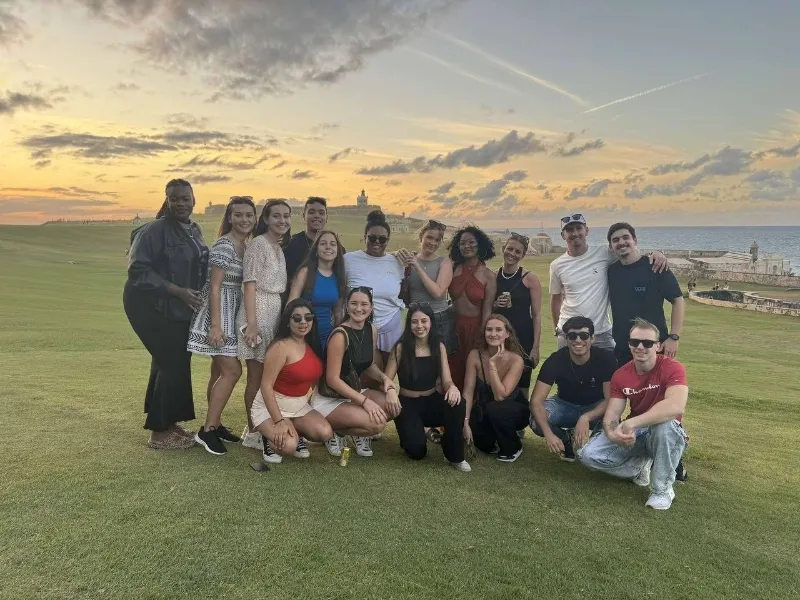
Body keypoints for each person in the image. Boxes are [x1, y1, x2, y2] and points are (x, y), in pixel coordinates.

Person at [123, 179, 208, 449]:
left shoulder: (193, 230)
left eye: (185, 198)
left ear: (194, 199)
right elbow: (138, 271)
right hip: (150, 305)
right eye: (174, 198)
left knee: (172, 361)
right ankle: (159, 434)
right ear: (166, 200)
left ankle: (169, 423)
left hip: (178, 306)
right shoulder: (154, 230)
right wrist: (178, 291)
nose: (180, 203)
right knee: (171, 361)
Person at [579, 318, 689, 510]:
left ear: (657, 346)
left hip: (666, 432)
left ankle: (662, 490)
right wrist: (614, 434)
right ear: (629, 344)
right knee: (588, 455)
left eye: (647, 343)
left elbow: (675, 406)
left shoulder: (672, 367)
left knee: (664, 425)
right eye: (634, 342)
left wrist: (632, 423)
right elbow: (612, 415)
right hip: (637, 434)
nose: (640, 347)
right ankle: (638, 468)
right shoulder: (621, 374)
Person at [188, 196, 256, 454]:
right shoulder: (225, 246)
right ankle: (206, 431)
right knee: (232, 371)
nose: (244, 219)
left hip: (230, 309)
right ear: (229, 217)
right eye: (238, 215)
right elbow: (214, 286)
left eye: (249, 215)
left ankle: (215, 425)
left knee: (218, 372)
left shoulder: (244, 246)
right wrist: (215, 325)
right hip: (218, 313)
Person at [550, 214, 667, 351]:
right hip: (570, 332)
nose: (575, 233)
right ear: (563, 235)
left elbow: (630, 252)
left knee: (612, 370)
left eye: (578, 228)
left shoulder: (604, 253)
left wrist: (657, 253)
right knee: (567, 371)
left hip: (602, 332)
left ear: (586, 231)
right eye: (569, 230)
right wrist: (558, 328)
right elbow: (556, 298)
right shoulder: (557, 265)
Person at [310, 286, 398, 458]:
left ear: (371, 307)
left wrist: (386, 380)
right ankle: (335, 430)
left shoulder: (371, 329)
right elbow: (332, 379)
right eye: (354, 304)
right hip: (330, 397)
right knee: (377, 425)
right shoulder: (340, 335)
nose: (359, 308)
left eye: (364, 304)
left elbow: (368, 364)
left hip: (353, 392)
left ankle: (352, 427)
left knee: (393, 408)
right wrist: (365, 402)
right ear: (347, 307)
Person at [384, 302, 471, 472]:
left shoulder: (439, 347)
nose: (419, 326)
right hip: (407, 404)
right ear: (409, 324)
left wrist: (452, 387)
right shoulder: (401, 348)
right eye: (415, 322)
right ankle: (415, 431)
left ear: (431, 322)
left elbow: (447, 381)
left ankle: (454, 455)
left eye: (424, 321)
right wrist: (390, 391)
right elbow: (387, 378)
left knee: (458, 403)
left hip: (431, 400)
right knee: (417, 452)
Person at [250, 299, 335, 463]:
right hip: (270, 407)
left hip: (299, 406)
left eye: (308, 317)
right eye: (297, 318)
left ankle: (294, 430)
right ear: (288, 322)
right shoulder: (280, 347)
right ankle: (267, 437)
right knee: (289, 446)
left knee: (325, 433)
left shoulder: (313, 344)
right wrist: (279, 420)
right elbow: (266, 386)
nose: (303, 322)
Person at [237, 199, 290, 451]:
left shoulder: (277, 246)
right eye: (276, 216)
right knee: (256, 378)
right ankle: (252, 431)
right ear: (266, 219)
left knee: (267, 376)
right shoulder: (258, 244)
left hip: (273, 310)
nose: (282, 220)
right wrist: (252, 324)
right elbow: (249, 284)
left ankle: (261, 425)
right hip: (257, 311)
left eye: (286, 216)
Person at [529, 316, 616, 462]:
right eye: (572, 336)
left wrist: (586, 417)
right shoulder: (555, 360)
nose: (578, 340)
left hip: (596, 406)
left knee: (613, 421)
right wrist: (549, 434)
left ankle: (594, 444)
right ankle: (565, 439)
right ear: (566, 339)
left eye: (584, 335)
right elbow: (535, 401)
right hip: (564, 404)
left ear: (592, 338)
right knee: (536, 421)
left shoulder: (605, 359)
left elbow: (610, 399)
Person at [607, 222, 685, 365]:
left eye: (626, 237)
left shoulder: (655, 266)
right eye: (616, 240)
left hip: (654, 347)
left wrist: (674, 337)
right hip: (624, 350)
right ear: (611, 247)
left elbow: (678, 300)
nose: (621, 242)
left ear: (635, 240)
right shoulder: (611, 271)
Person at [462, 314, 528, 462]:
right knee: (484, 444)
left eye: (498, 330)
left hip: (514, 409)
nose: (493, 334)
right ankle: (496, 435)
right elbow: (467, 391)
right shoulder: (475, 355)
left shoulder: (516, 359)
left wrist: (492, 365)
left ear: (507, 334)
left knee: (496, 408)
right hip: (485, 409)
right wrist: (465, 422)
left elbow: (500, 396)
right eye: (489, 329)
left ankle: (514, 447)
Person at [344, 210, 405, 366]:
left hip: (391, 328)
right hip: (360, 327)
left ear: (388, 240)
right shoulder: (349, 260)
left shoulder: (397, 262)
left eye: (382, 239)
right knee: (360, 374)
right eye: (372, 237)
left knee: (387, 376)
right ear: (365, 237)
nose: (377, 242)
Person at [396, 220, 457, 355]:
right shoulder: (410, 259)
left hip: (438, 318)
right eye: (429, 237)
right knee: (415, 359)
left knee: (440, 361)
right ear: (421, 237)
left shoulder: (444, 263)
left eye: (437, 240)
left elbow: (437, 292)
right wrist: (397, 254)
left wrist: (417, 267)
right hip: (416, 318)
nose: (433, 243)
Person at [493, 232, 543, 397]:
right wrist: (495, 304)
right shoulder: (493, 277)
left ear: (522, 255)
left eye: (517, 252)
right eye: (510, 249)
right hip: (499, 339)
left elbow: (536, 315)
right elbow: (486, 311)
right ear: (503, 249)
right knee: (498, 383)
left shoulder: (530, 279)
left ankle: (520, 420)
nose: (512, 254)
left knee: (522, 386)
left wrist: (535, 348)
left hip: (523, 339)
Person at [447, 225, 497, 390]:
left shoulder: (489, 275)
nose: (466, 246)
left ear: (480, 245)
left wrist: (482, 337)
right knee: (451, 372)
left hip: (475, 329)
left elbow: (487, 310)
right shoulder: (452, 268)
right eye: (462, 243)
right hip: (452, 329)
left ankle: (471, 413)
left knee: (473, 374)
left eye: (471, 242)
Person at [287, 230, 346, 350]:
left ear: (337, 250)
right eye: (323, 243)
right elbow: (291, 304)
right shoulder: (305, 272)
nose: (328, 247)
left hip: (327, 336)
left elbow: (338, 312)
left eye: (333, 244)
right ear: (316, 249)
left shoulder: (339, 276)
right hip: (304, 334)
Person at [282, 196, 345, 284]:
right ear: (304, 216)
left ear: (327, 217)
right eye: (311, 212)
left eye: (321, 213)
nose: (316, 216)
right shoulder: (291, 244)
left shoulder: (337, 249)